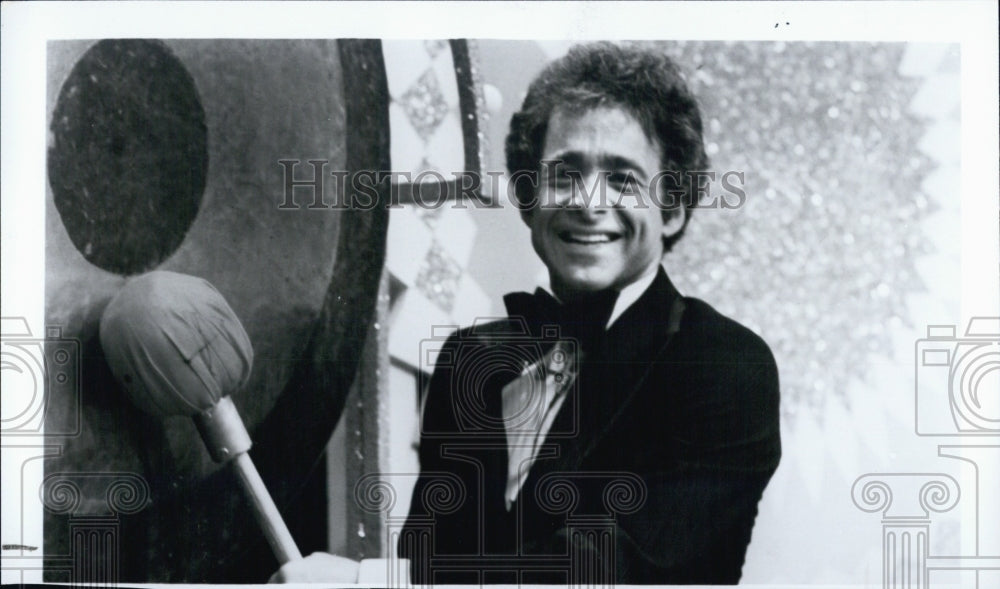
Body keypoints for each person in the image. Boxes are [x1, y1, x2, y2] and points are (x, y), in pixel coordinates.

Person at [272, 41, 780, 585]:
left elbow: (608, 571)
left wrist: (362, 582)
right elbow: (433, 558)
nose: (588, 201)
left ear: (673, 210)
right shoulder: (469, 360)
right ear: (527, 196)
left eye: (624, 179)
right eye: (564, 173)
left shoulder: (725, 363)